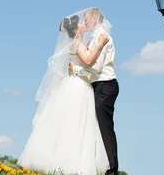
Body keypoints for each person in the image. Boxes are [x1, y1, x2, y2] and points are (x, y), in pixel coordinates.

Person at [17, 10, 109, 175]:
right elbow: (88, 61)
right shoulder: (77, 43)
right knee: (75, 125)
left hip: (79, 84)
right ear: (75, 30)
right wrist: (100, 45)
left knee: (78, 125)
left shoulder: (81, 42)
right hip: (78, 87)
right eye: (81, 23)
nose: (84, 23)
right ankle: (71, 165)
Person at [71, 7, 119, 175]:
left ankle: (112, 170)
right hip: (99, 85)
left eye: (87, 19)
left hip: (105, 85)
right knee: (98, 127)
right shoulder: (94, 38)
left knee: (105, 128)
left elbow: (96, 67)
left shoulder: (102, 37)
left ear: (95, 19)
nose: (85, 22)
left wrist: (77, 70)